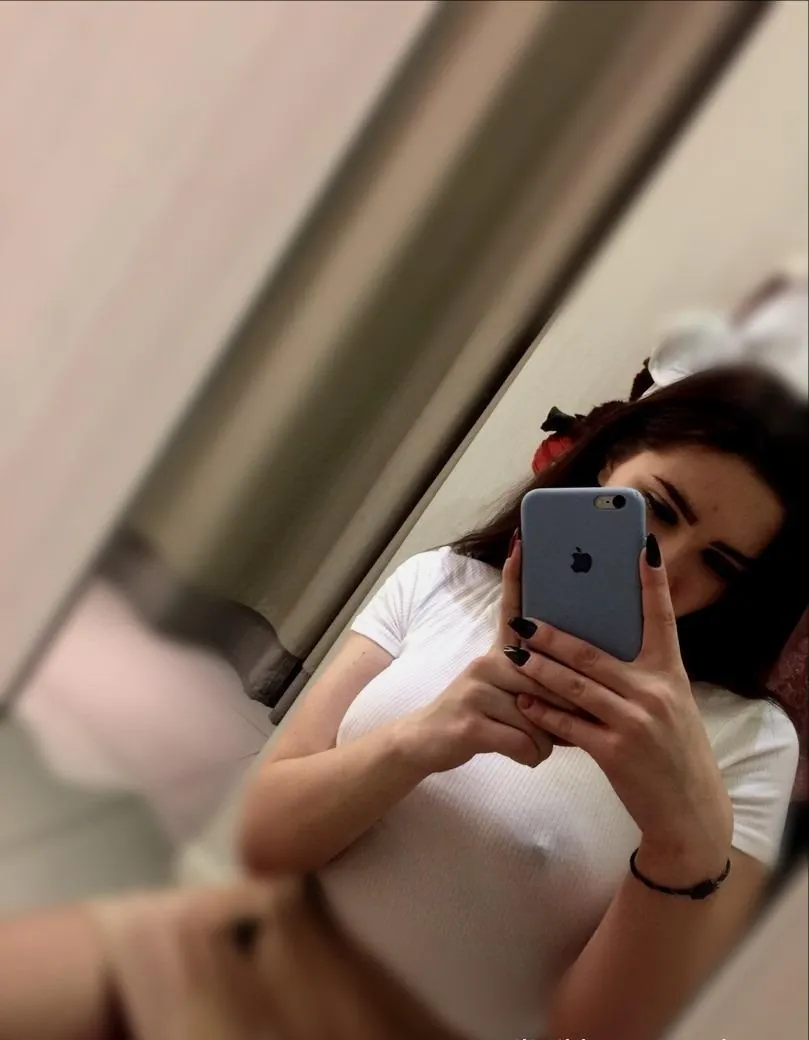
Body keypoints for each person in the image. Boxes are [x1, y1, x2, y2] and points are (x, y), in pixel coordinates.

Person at [239, 365, 808, 1040]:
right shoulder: (439, 583)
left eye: (719, 564)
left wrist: (683, 840)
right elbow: (261, 839)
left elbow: (595, 1030)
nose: (663, 569)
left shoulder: (747, 741)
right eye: (655, 509)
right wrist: (418, 740)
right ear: (609, 461)